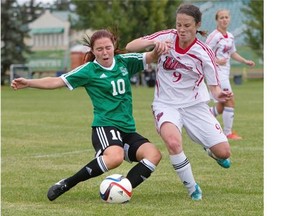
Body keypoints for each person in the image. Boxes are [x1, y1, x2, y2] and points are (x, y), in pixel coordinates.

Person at [11, 29, 163, 201]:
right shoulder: (89, 70)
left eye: (108, 47)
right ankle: (68, 183)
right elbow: (57, 81)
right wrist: (28, 82)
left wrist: (159, 47)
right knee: (115, 158)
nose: (105, 52)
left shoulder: (125, 62)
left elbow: (151, 57)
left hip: (127, 128)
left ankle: (120, 189)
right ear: (92, 51)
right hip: (105, 125)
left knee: (154, 155)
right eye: (99, 49)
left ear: (113, 46)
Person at [126, 3, 233, 201]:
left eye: (187, 26)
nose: (181, 30)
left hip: (195, 106)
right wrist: (154, 47)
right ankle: (193, 189)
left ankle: (210, 149)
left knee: (224, 152)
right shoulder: (167, 36)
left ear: (197, 25)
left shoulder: (204, 53)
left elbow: (214, 87)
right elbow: (130, 46)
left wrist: (221, 95)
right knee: (174, 143)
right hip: (165, 104)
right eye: (179, 25)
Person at [205, 9, 256, 140]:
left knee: (221, 106)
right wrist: (217, 61)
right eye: (221, 17)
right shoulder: (214, 36)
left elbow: (232, 53)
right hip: (216, 74)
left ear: (230, 19)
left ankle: (201, 120)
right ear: (217, 20)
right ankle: (228, 133)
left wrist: (245, 61)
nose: (224, 20)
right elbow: (204, 54)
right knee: (230, 101)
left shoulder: (230, 36)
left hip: (225, 73)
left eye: (226, 17)